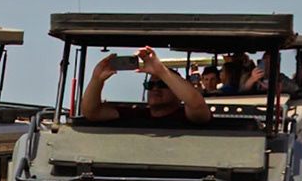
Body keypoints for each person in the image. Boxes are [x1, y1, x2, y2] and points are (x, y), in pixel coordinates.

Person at [80, 45, 211, 123]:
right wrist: (97, 80)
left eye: (163, 85)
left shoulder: (187, 116)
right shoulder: (136, 115)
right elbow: (92, 112)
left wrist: (161, 72)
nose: (155, 89)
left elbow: (196, 103)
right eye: (150, 86)